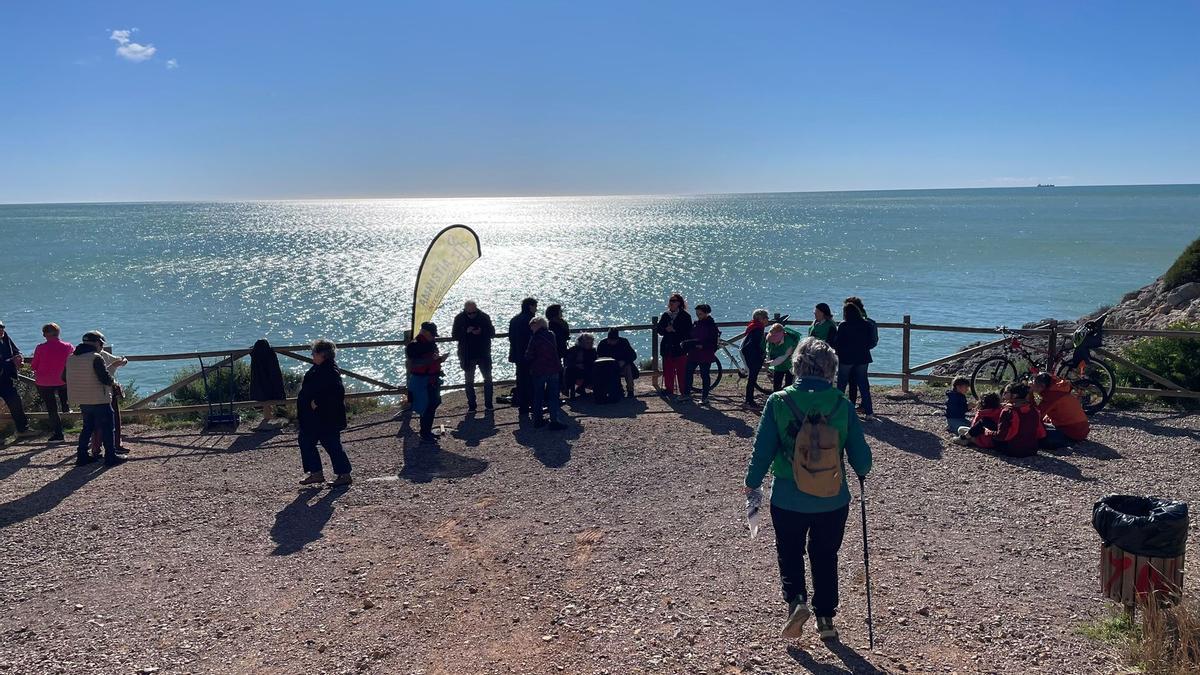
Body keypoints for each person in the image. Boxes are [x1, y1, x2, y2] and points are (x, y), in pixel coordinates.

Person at [744, 337, 872, 641]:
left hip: (789, 497)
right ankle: (826, 618)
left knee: (789, 551)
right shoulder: (842, 403)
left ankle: (796, 602)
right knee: (825, 554)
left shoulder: (778, 401)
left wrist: (751, 482)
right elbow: (863, 461)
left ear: (797, 364)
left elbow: (762, 450)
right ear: (831, 368)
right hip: (832, 498)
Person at [296, 339, 352, 487]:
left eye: (314, 352)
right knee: (306, 441)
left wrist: (317, 402)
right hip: (314, 417)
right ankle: (316, 473)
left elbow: (336, 392)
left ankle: (344, 474)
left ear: (322, 355)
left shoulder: (329, 370)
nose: (312, 355)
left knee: (332, 444)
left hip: (326, 416)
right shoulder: (319, 367)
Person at [63, 331, 124, 466]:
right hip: (99, 398)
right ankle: (110, 456)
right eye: (101, 344)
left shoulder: (71, 358)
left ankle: (82, 456)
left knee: (87, 428)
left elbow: (63, 377)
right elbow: (105, 379)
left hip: (82, 399)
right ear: (97, 343)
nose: (101, 347)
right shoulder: (95, 357)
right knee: (108, 427)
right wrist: (114, 382)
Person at [29, 323, 74, 442]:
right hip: (62, 379)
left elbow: (34, 366)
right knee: (64, 389)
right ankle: (65, 405)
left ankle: (59, 434)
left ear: (44, 334)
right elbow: (73, 361)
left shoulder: (40, 347)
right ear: (58, 333)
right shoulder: (68, 346)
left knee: (52, 409)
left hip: (44, 381)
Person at [405, 322, 448, 441]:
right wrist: (433, 360)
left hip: (432, 379)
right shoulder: (414, 346)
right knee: (426, 405)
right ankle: (425, 433)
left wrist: (439, 360)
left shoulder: (431, 343)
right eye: (432, 335)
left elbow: (431, 359)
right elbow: (414, 363)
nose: (433, 337)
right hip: (421, 380)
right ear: (424, 332)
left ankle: (426, 431)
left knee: (434, 402)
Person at [452, 300, 496, 412]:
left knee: (488, 379)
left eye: (474, 312)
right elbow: (454, 335)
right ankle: (472, 405)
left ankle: (489, 404)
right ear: (465, 310)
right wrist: (465, 331)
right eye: (469, 313)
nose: (472, 315)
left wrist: (482, 331)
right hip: (467, 354)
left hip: (483, 353)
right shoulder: (459, 318)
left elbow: (492, 332)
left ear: (476, 309)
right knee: (469, 381)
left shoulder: (484, 317)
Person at [984, 382, 1046, 457]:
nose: (1004, 394)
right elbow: (1042, 433)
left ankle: (970, 439)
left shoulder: (1008, 411)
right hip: (1032, 450)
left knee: (984, 423)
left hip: (1013, 450)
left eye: (1007, 392)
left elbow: (1002, 436)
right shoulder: (1034, 410)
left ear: (1014, 395)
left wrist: (988, 432)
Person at [834, 303, 875, 419]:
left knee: (841, 384)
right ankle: (869, 412)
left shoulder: (844, 325)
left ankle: (838, 410)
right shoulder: (867, 324)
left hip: (847, 358)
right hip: (863, 357)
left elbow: (838, 342)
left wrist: (839, 351)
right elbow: (871, 341)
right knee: (863, 385)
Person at [526, 317, 566, 430]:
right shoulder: (551, 335)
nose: (530, 327)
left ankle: (538, 420)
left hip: (539, 370)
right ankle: (554, 420)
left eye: (532, 324)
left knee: (538, 395)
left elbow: (529, 355)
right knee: (553, 396)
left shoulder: (535, 338)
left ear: (537, 325)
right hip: (553, 368)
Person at [1031, 373, 1089, 448]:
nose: (1032, 385)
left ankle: (1065, 440)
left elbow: (1036, 415)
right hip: (1082, 429)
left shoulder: (1052, 396)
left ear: (1041, 386)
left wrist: (1031, 394)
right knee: (1044, 422)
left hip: (1072, 432)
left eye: (1034, 384)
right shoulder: (1059, 389)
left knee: (1036, 433)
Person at [843, 297, 878, 411]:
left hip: (850, 355)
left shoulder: (850, 320)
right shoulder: (868, 321)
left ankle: (850, 405)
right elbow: (872, 341)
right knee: (862, 382)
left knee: (849, 381)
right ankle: (866, 408)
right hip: (863, 355)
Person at [655, 294, 693, 401]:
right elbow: (659, 329)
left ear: (679, 303)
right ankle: (669, 389)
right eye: (670, 300)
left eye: (674, 301)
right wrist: (666, 329)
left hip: (680, 348)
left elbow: (688, 332)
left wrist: (675, 330)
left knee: (682, 371)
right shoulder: (665, 315)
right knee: (668, 370)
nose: (671, 302)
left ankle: (684, 392)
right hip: (667, 347)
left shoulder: (685, 316)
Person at [0, 321, 34, 438]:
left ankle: (22, 429)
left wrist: (19, 357)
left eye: (2, 327)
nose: (1, 330)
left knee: (15, 402)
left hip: (6, 379)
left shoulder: (5, 337)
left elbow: (15, 350)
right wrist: (10, 361)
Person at [508, 298, 538, 420]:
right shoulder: (531, 320)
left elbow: (511, 338)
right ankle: (532, 403)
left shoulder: (514, 319)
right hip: (529, 355)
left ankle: (523, 406)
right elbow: (533, 338)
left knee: (520, 380)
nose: (536, 308)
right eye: (535, 306)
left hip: (517, 354)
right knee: (532, 380)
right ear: (530, 307)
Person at [684, 304, 720, 404]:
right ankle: (686, 394)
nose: (698, 315)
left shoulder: (711, 325)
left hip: (705, 353)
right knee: (688, 372)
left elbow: (713, 341)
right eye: (697, 314)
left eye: (700, 314)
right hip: (694, 352)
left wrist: (703, 346)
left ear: (706, 313)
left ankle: (705, 397)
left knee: (704, 375)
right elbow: (690, 335)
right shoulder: (696, 323)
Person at [597, 328, 638, 398]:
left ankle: (630, 390)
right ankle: (613, 389)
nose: (612, 342)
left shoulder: (624, 342)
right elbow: (598, 358)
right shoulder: (602, 344)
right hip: (608, 367)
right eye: (610, 340)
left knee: (627, 367)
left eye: (614, 340)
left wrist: (624, 361)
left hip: (622, 366)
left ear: (617, 339)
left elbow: (633, 355)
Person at [741, 309, 769, 407]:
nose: (768, 320)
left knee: (752, 378)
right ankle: (750, 400)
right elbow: (756, 345)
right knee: (752, 378)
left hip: (749, 354)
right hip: (753, 355)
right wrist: (761, 355)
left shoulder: (753, 326)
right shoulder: (758, 329)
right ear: (761, 319)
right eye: (766, 318)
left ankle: (749, 399)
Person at [766, 323, 802, 392]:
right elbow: (768, 351)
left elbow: (783, 357)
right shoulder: (770, 340)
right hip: (778, 366)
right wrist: (768, 360)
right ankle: (776, 398)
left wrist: (769, 364)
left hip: (790, 364)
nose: (774, 343)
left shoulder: (789, 342)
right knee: (776, 384)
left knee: (789, 384)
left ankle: (788, 400)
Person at [563, 333, 599, 399]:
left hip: (587, 369)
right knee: (569, 371)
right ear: (582, 342)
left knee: (593, 371)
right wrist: (577, 365)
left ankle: (581, 388)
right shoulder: (574, 350)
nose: (590, 344)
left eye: (591, 342)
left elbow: (594, 361)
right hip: (575, 369)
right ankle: (569, 390)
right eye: (587, 342)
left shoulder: (593, 351)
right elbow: (568, 362)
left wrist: (585, 365)